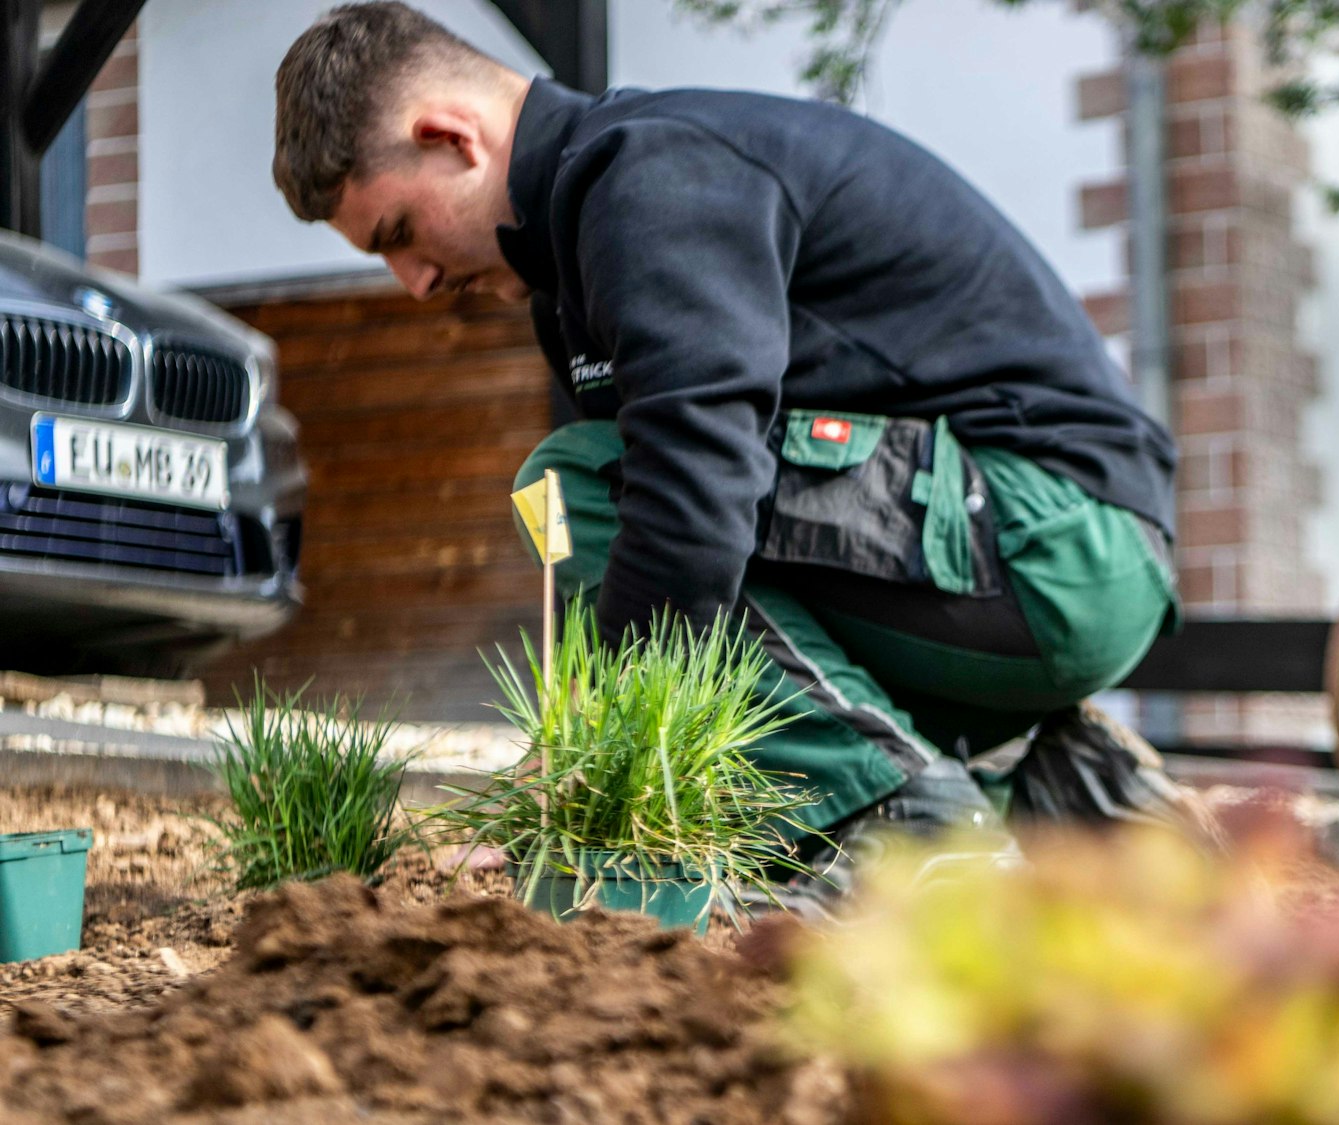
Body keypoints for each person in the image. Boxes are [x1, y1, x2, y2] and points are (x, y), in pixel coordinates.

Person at [271, 2, 1205, 910]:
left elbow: (693, 488)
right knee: (636, 500)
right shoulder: (581, 256)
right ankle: (1065, 789)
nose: (418, 283)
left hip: (1057, 539)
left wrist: (601, 765)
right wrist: (554, 787)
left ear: (451, 138)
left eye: (398, 234)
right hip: (1043, 567)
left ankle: (900, 826)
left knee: (584, 483)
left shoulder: (651, 178)